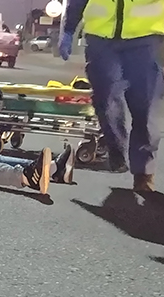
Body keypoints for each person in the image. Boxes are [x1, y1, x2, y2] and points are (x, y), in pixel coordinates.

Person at [59, 0, 164, 192]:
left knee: (146, 107)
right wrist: (68, 29)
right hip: (101, 37)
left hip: (147, 38)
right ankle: (117, 149)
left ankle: (143, 172)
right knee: (105, 97)